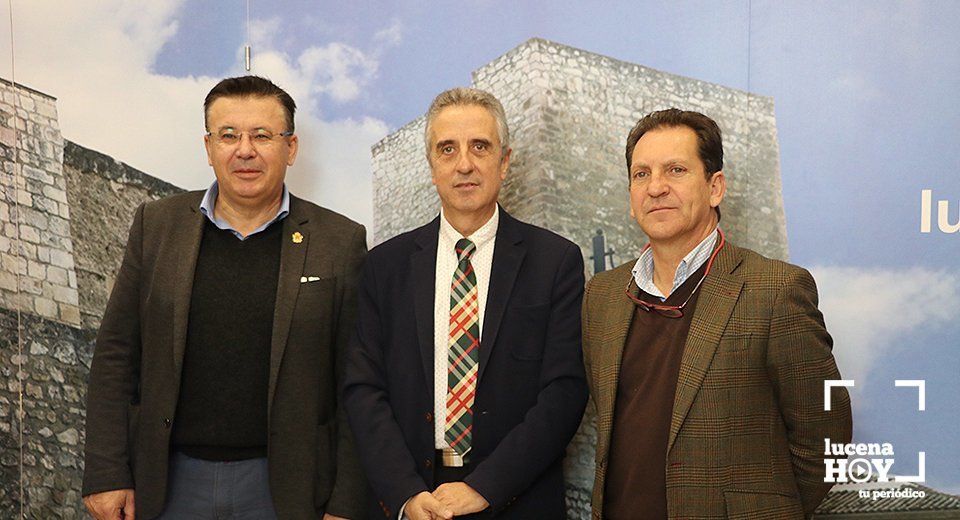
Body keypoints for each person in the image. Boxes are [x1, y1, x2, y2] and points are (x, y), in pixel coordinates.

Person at [82, 76, 366, 520]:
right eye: (229, 135)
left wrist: (347, 503)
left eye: (262, 136)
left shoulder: (339, 241)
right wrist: (105, 472)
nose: (245, 150)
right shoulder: (156, 226)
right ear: (209, 146)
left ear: (291, 148)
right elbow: (117, 354)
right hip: (168, 484)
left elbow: (357, 381)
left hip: (288, 490)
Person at [582, 108, 852, 519]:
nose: (656, 188)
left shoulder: (775, 290)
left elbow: (825, 435)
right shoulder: (602, 297)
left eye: (675, 170)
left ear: (715, 187)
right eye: (642, 174)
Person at [342, 87, 588, 519]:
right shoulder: (386, 266)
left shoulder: (555, 262)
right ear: (432, 165)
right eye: (447, 149)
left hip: (517, 498)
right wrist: (404, 493)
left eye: (480, 146)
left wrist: (484, 487)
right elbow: (364, 389)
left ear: (505, 161)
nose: (464, 164)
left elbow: (564, 393)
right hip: (414, 498)